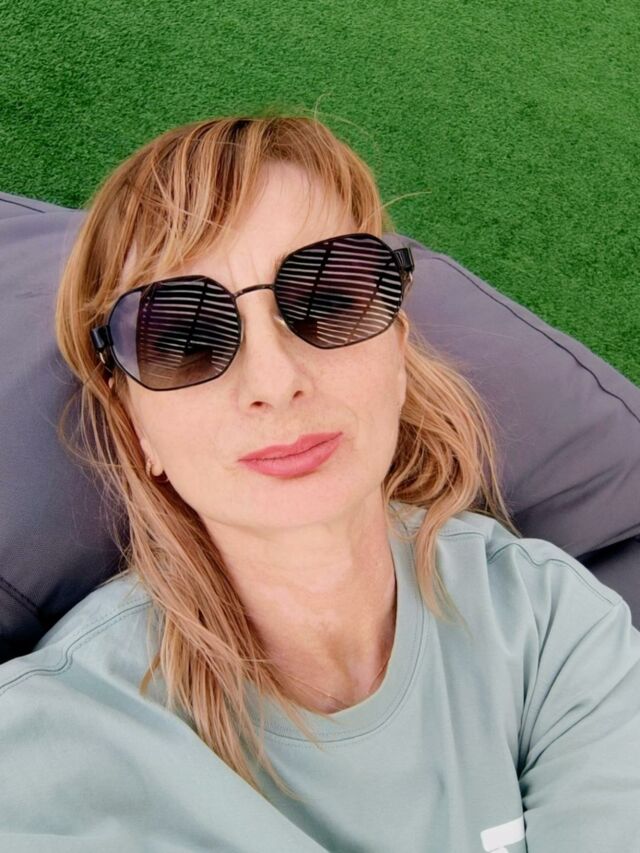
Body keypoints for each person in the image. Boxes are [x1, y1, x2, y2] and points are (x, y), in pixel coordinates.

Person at [1, 110, 639, 852]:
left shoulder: (550, 622)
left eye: (327, 297)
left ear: (398, 350)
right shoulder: (52, 747)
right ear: (135, 423)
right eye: (184, 337)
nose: (275, 381)